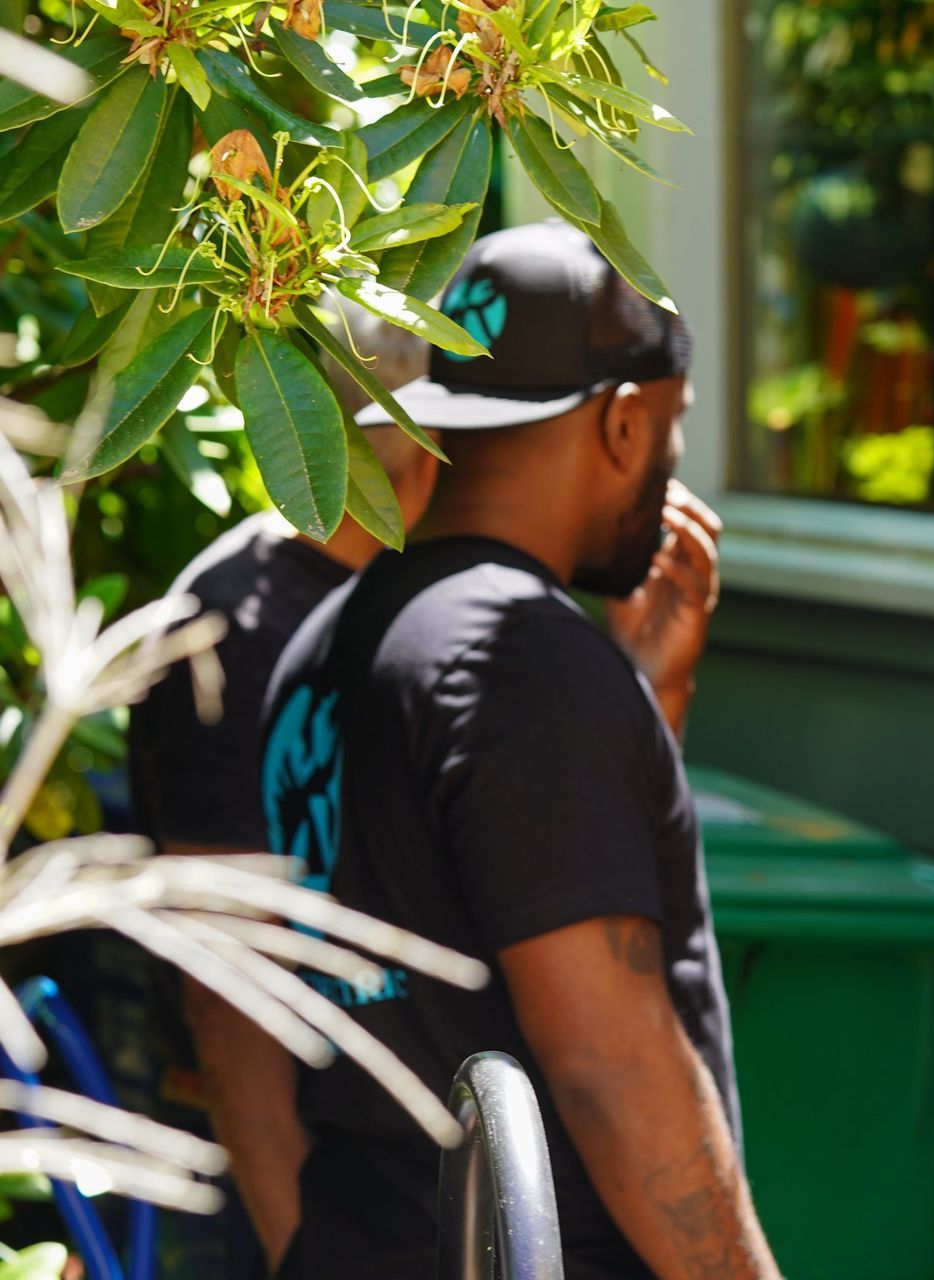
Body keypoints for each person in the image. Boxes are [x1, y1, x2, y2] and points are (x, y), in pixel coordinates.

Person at [261, 221, 778, 1280]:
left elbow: (477, 896)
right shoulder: (524, 665)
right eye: (673, 435)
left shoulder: (327, 644)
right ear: (626, 426)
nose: (674, 469)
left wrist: (643, 700)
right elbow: (607, 1068)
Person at [125, 314, 439, 1275]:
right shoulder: (234, 626)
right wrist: (297, 1249)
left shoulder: (406, 592)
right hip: (269, 1181)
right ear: (418, 450)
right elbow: (227, 994)